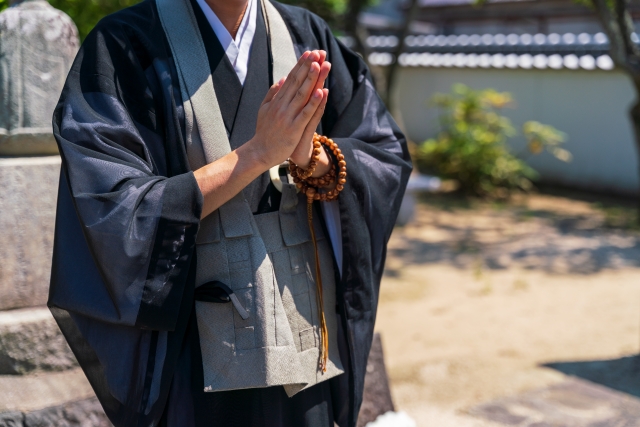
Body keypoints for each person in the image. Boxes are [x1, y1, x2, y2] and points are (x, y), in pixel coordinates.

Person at [48, 0, 411, 426]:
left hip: (304, 334)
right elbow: (111, 207)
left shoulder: (305, 34)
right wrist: (256, 154)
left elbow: (383, 156)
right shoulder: (124, 44)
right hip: (195, 359)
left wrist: (311, 155)